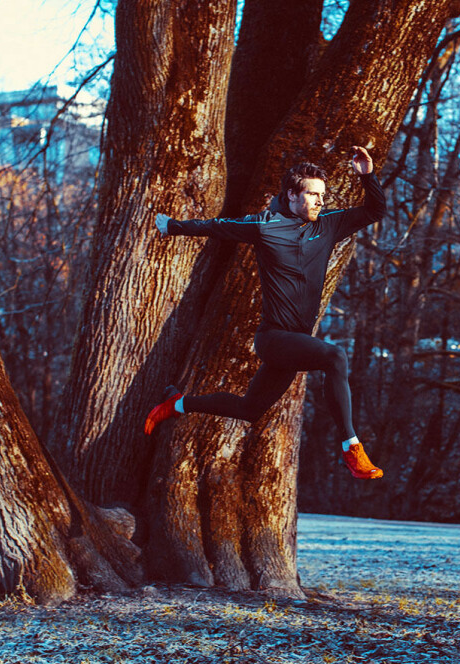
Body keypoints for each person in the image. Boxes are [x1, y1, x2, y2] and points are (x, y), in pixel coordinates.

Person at [144, 146, 384, 480]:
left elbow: (375, 210)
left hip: (295, 342)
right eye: (313, 194)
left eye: (322, 196)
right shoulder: (264, 226)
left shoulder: (328, 226)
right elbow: (217, 226)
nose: (319, 201)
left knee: (249, 409)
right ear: (291, 194)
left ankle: (178, 404)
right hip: (273, 339)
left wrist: (367, 175)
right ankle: (351, 448)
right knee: (335, 356)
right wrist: (173, 227)